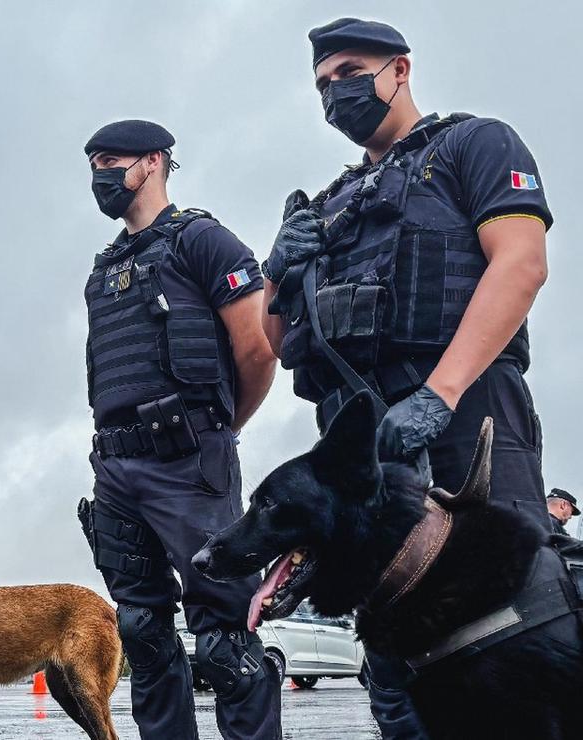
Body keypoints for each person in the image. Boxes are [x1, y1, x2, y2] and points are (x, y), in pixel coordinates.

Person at [260, 17, 553, 740]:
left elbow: (522, 263)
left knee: (505, 634)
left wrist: (440, 393)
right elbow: (278, 340)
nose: (337, 92)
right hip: (362, 449)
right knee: (394, 662)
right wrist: (279, 270)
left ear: (400, 69)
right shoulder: (327, 205)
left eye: (351, 72)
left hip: (465, 416)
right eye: (324, 83)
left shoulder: (474, 144)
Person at [78, 121, 279, 740]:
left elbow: (258, 350)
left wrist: (216, 430)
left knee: (224, 635)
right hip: (116, 467)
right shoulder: (106, 265)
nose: (101, 176)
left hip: (189, 460)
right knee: (140, 629)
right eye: (93, 165)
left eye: (112, 161)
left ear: (154, 162)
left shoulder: (203, 240)